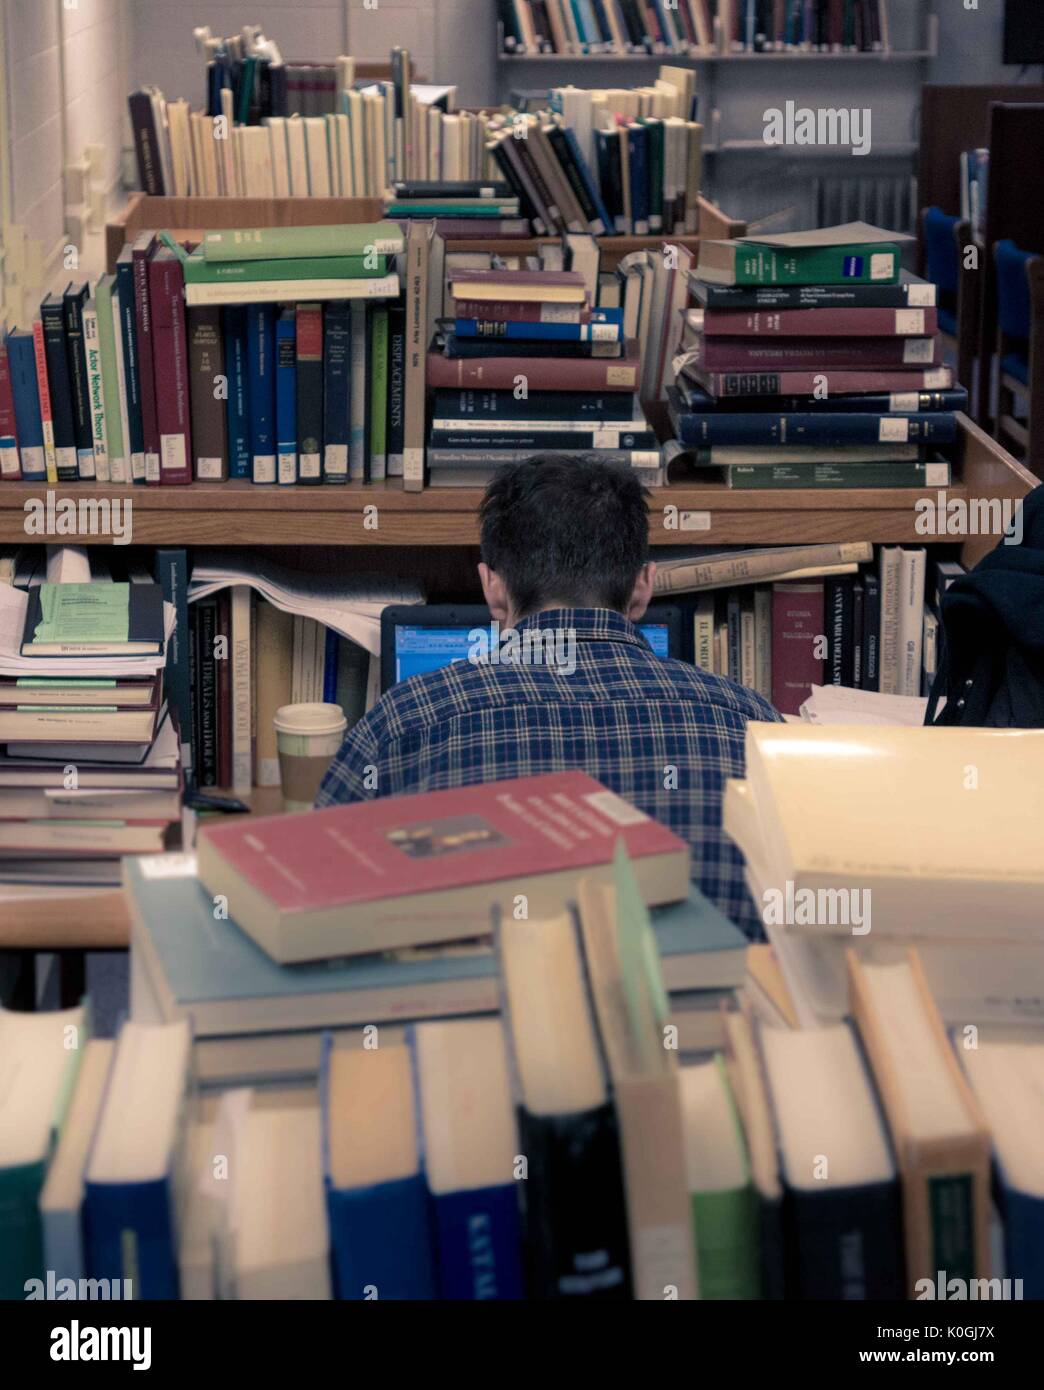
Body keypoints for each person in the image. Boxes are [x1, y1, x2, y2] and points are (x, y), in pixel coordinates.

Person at [317, 455, 783, 934]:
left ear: (492, 588)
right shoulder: (755, 728)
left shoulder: (403, 723)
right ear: (644, 586)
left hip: (481, 1007)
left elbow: (314, 902)